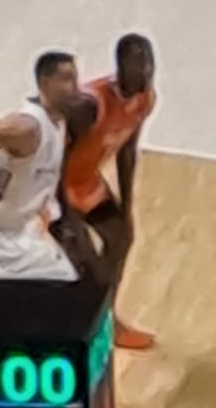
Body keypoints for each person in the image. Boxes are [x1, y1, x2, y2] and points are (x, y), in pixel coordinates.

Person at [60, 34, 158, 350]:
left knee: (121, 238)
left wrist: (126, 208)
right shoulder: (89, 106)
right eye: (139, 66)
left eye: (150, 64)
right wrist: (68, 219)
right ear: (121, 68)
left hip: (85, 182)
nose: (147, 73)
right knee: (87, 264)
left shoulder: (144, 99)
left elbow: (127, 152)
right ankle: (80, 330)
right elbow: (53, 162)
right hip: (51, 189)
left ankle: (107, 320)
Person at [0, 52, 82, 282]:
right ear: (45, 83)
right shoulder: (26, 128)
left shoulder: (57, 123)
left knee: (66, 281)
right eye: (67, 79)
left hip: (22, 237)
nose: (76, 87)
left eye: (76, 79)